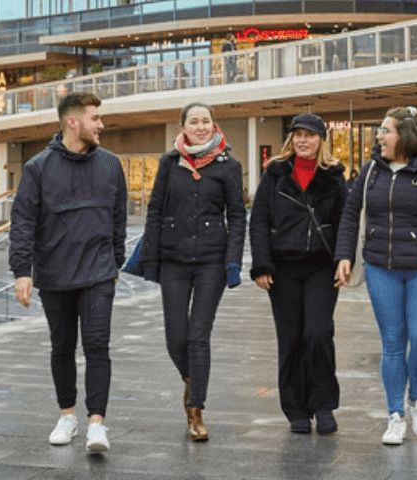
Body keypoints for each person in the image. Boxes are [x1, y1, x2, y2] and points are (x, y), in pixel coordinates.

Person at [333, 106, 417, 446]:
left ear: (405, 135)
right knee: (393, 345)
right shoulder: (372, 172)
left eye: (385, 131)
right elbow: (351, 214)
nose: (379, 137)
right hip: (381, 269)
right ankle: (396, 415)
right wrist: (344, 256)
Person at [9, 91, 128, 453]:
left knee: (97, 346)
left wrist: (114, 261)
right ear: (73, 122)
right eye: (95, 118)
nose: (101, 124)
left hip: (98, 273)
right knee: (62, 346)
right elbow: (23, 222)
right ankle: (67, 415)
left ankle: (97, 424)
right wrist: (22, 271)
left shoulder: (110, 164)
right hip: (55, 274)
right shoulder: (38, 168)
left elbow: (119, 218)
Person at [140, 102, 246, 442]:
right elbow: (155, 210)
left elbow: (237, 216)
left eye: (206, 121)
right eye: (194, 121)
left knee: (199, 336)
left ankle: (195, 410)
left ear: (214, 126)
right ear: (183, 127)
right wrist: (152, 259)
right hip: (173, 260)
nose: (200, 126)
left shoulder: (229, 166)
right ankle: (192, 379)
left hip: (211, 261)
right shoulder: (169, 164)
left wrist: (233, 261)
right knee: (176, 339)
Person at [249, 113, 347, 435]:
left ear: (321, 139)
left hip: (321, 266)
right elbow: (260, 220)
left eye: (310, 135)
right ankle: (296, 409)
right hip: (283, 268)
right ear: (291, 139)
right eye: (298, 135)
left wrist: (343, 258)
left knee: (318, 333)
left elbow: (347, 222)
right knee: (290, 339)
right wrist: (262, 265)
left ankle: (323, 404)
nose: (303, 140)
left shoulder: (334, 176)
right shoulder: (275, 173)